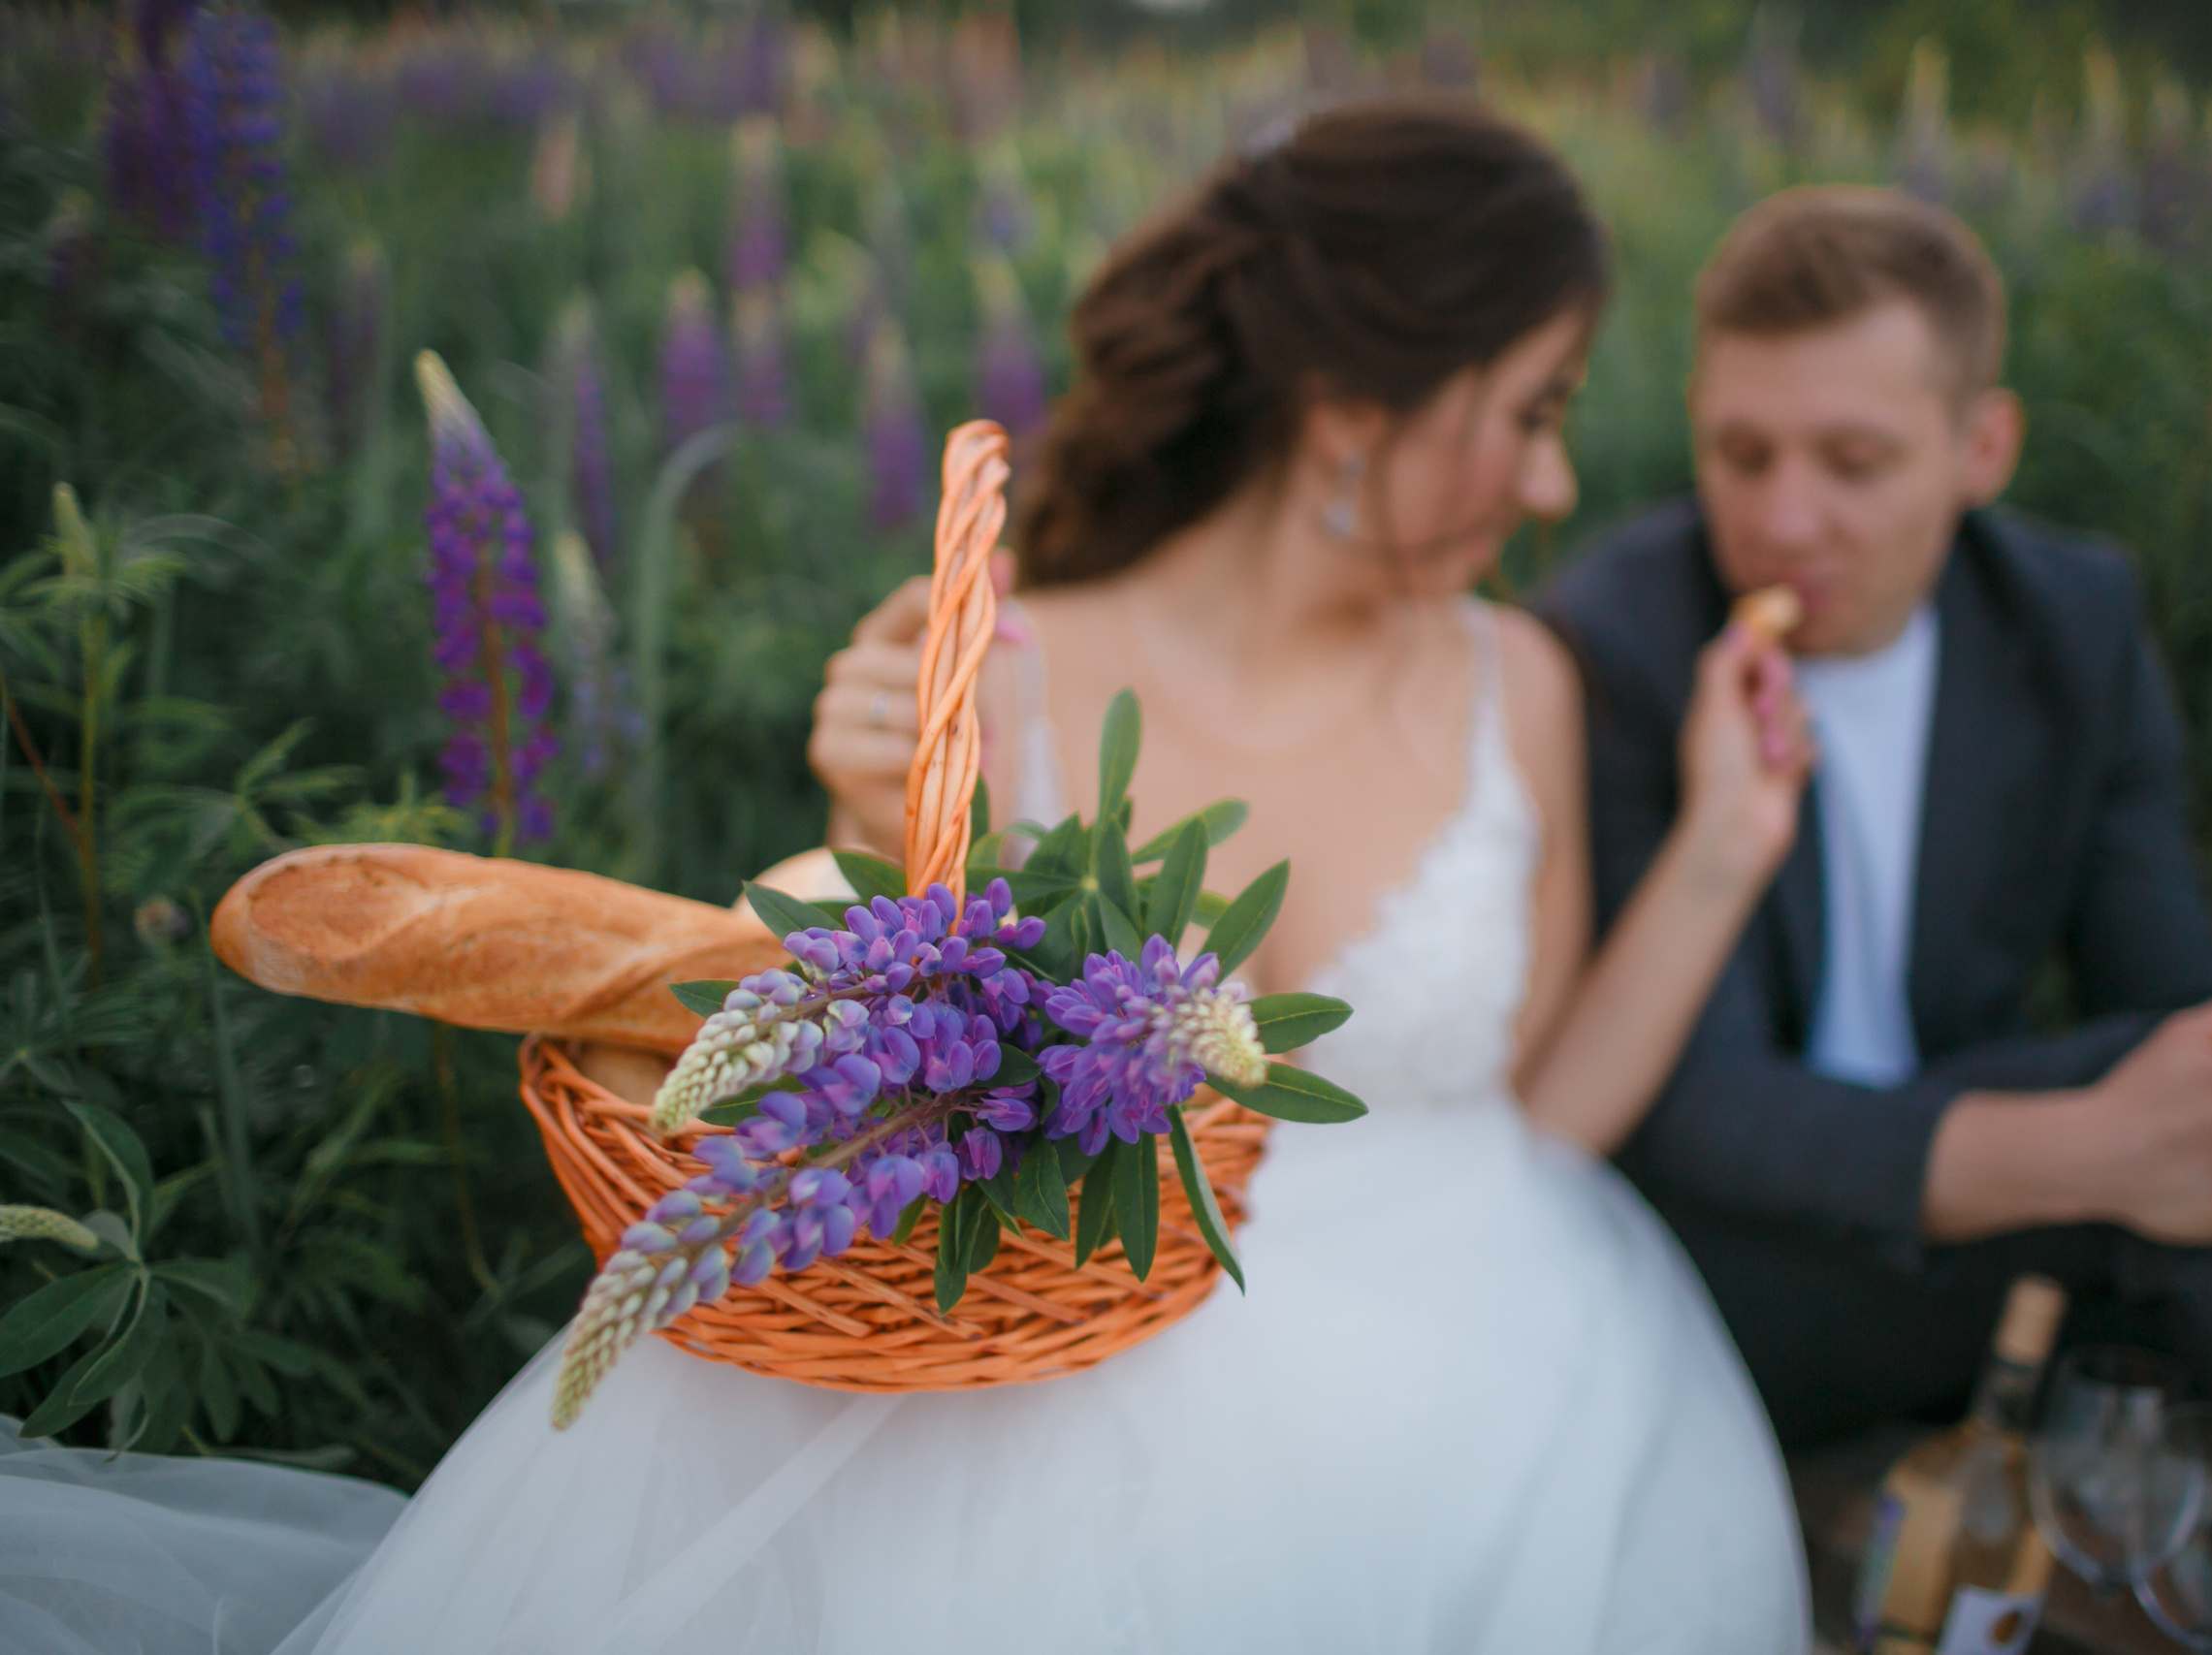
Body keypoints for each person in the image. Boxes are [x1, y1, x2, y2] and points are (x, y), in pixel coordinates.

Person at [0, 101, 1816, 1652]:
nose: (1562, 475)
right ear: (1355, 402)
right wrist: (871, 834)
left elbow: (1556, 1115)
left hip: (1513, 1349)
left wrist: (1730, 842)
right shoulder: (1010, 669)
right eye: (1530, 408)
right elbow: (887, 1067)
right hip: (1099, 1317)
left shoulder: (1529, 682)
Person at [1541, 184, 2212, 1650]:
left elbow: (2171, 991)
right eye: (1742, 454)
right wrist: (2102, 1148)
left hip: (1996, 1227)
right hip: (1731, 1277)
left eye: (1854, 462)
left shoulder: (2070, 620)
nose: (1783, 518)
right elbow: (1695, 1110)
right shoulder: (1619, 640)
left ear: (1984, 449)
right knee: (2193, 1208)